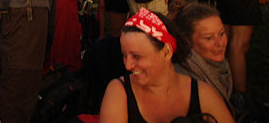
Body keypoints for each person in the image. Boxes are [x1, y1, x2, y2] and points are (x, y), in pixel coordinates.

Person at [99, 8, 234, 122]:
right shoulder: (119, 91)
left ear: (166, 52)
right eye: (124, 55)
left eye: (136, 56)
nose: (128, 66)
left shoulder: (203, 94)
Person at [171, 1, 234, 114]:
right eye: (209, 38)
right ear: (187, 41)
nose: (220, 43)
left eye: (221, 33)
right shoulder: (185, 82)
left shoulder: (219, 65)